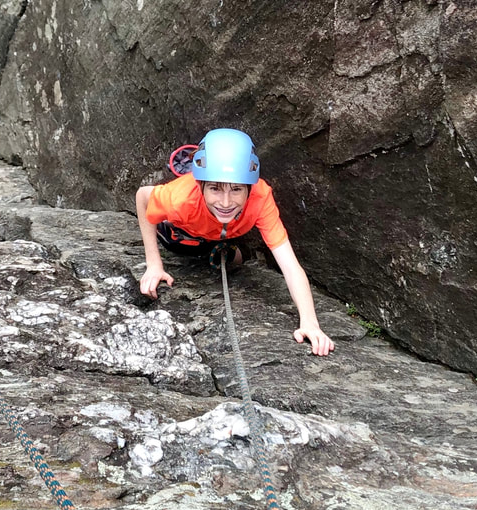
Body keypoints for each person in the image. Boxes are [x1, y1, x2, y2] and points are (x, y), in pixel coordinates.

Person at [135, 128, 335, 356]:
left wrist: (310, 322)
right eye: (215, 188)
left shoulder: (260, 199)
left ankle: (221, 246)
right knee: (186, 246)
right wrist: (154, 264)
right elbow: (142, 196)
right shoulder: (180, 199)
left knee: (236, 260)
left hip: (224, 232)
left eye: (237, 189)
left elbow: (289, 265)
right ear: (200, 185)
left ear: (250, 187)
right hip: (182, 232)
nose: (226, 201)